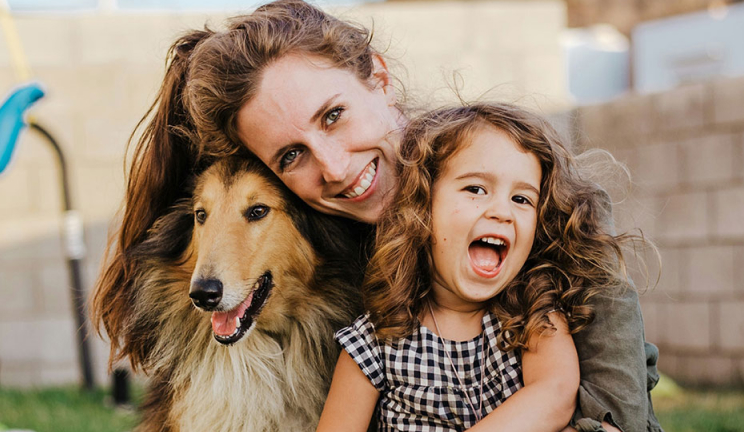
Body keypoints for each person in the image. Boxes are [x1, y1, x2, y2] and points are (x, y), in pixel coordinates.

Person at [93, 1, 661, 431]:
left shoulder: (512, 200)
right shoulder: (334, 251)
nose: (336, 169)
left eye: (334, 115)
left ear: (380, 79)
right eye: (291, 156)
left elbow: (617, 396)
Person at [318, 103, 641, 431]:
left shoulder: (532, 314)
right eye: (475, 189)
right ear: (421, 206)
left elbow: (554, 393)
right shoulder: (375, 340)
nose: (502, 211)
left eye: (521, 199)